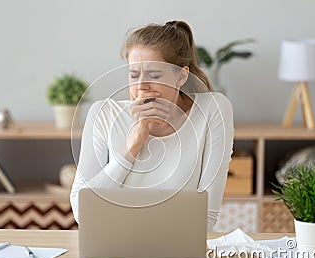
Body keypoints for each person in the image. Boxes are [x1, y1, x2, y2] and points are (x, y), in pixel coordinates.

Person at [70, 20, 234, 231]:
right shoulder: (103, 114)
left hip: (179, 251)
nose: (140, 87)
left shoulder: (213, 109)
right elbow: (82, 213)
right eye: (134, 75)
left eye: (154, 75)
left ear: (181, 76)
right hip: (113, 246)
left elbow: (207, 217)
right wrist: (132, 145)